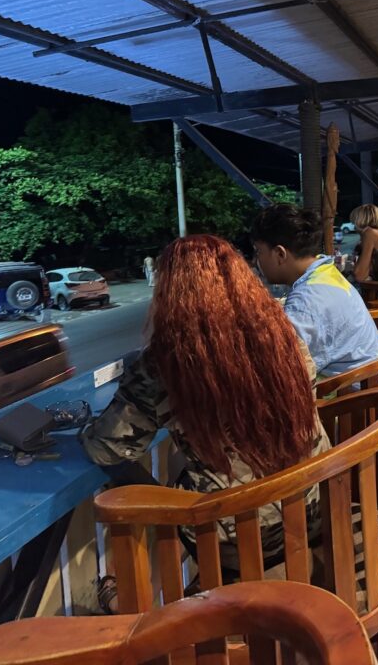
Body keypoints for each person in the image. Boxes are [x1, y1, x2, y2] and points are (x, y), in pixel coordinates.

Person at [81, 235, 331, 594]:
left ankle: (140, 599)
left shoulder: (166, 363)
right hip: (315, 504)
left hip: (244, 539)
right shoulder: (283, 334)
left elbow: (106, 448)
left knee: (178, 487)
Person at [252, 204, 378, 377]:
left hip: (355, 392)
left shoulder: (305, 302)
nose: (255, 261)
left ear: (280, 254)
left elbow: (280, 366)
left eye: (258, 252)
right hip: (375, 382)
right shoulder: (325, 274)